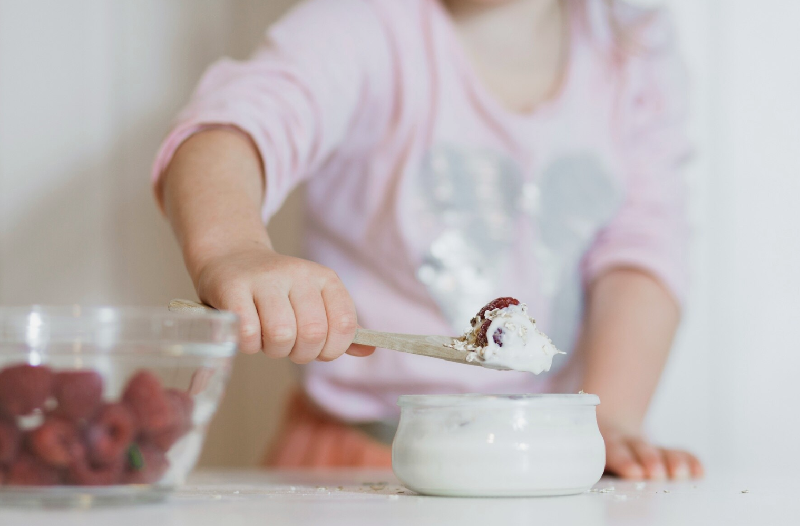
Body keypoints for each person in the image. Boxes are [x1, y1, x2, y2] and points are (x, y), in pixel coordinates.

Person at [153, 0, 703, 480]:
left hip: (537, 458)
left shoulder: (634, 53)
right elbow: (231, 130)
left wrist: (608, 418)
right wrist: (233, 249)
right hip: (354, 455)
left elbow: (641, 251)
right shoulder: (357, 27)